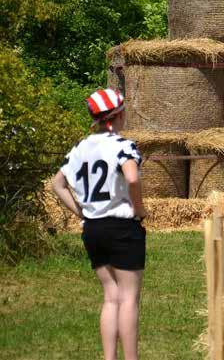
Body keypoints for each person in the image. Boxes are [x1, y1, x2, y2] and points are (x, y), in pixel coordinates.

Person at [51, 88, 147, 360]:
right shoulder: (123, 145)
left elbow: (56, 185)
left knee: (110, 296)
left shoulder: (79, 148)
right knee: (129, 298)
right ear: (118, 115)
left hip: (92, 229)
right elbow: (131, 179)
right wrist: (139, 209)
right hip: (122, 225)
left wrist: (82, 213)